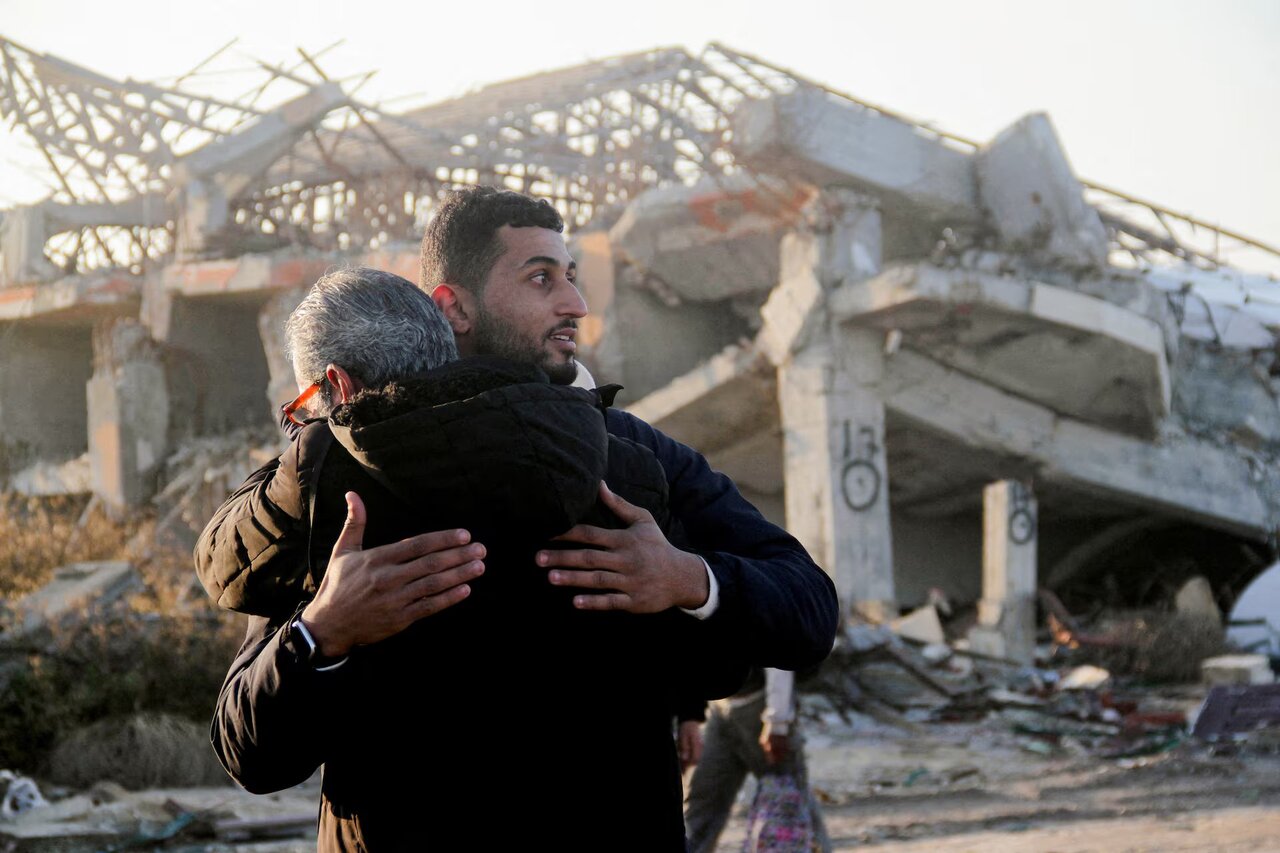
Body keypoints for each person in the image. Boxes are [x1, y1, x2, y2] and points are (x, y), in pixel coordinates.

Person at [210, 267, 747, 850]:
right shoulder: (625, 479)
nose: (302, 430)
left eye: (303, 408)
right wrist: (694, 583)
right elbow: (725, 670)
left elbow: (253, 758)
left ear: (336, 387)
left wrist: (319, 635)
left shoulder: (336, 525)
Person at [684, 668, 831, 853]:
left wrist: (777, 722)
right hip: (719, 710)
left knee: (789, 799)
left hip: (760, 707)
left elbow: (778, 660)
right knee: (704, 797)